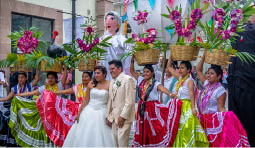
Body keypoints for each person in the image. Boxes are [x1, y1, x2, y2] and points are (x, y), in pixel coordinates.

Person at [196, 56, 250, 146]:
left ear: (219, 76)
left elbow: (221, 107)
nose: (208, 75)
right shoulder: (206, 85)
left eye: (212, 74)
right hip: (202, 119)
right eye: (208, 73)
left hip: (213, 121)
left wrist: (227, 118)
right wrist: (204, 57)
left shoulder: (220, 90)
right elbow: (198, 71)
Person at [130, 56, 182, 147]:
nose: (145, 74)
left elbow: (163, 89)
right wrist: (132, 60)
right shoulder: (141, 80)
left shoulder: (155, 83)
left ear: (152, 73)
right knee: (142, 128)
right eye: (144, 72)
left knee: (152, 129)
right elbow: (132, 71)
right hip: (142, 108)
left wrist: (170, 94)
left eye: (147, 72)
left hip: (151, 110)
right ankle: (143, 145)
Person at [8, 69, 67, 147]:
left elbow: (65, 76)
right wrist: (20, 95)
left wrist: (65, 66)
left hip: (56, 114)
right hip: (45, 114)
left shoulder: (59, 86)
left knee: (55, 132)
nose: (50, 79)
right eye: (49, 78)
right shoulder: (44, 87)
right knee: (44, 131)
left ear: (56, 79)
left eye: (52, 78)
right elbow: (32, 93)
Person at [36, 71, 92, 146]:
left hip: (89, 111)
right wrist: (51, 93)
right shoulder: (77, 87)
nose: (84, 78)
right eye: (83, 77)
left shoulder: (93, 87)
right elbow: (64, 91)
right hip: (77, 112)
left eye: (86, 77)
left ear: (90, 78)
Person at [63, 66, 115, 147]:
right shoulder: (91, 84)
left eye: (98, 73)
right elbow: (86, 100)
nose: (96, 75)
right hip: (89, 111)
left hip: (102, 112)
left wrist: (110, 114)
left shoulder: (110, 84)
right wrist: (79, 113)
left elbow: (111, 101)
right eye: (95, 73)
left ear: (104, 74)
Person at [167, 54, 209, 147]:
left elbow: (191, 94)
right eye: (179, 68)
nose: (180, 70)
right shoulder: (180, 78)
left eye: (182, 68)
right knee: (178, 129)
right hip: (178, 106)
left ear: (188, 70)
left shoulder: (189, 80)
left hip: (187, 106)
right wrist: (171, 54)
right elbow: (169, 67)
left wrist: (193, 108)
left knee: (186, 128)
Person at [0, 70, 39, 146]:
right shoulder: (14, 88)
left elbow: (37, 79)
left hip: (28, 111)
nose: (20, 79)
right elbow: (7, 98)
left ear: (26, 78)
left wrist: (37, 67)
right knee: (6, 118)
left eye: (22, 77)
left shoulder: (30, 86)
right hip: (18, 111)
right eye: (19, 77)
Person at [105, 60, 135, 147]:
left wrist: (122, 116)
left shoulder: (128, 79)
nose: (110, 71)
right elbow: (110, 100)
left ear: (120, 68)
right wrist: (108, 116)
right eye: (109, 69)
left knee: (122, 144)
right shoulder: (112, 81)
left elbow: (130, 101)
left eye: (113, 68)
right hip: (114, 118)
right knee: (115, 144)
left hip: (124, 118)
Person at [100, 11, 131, 80]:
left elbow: (129, 53)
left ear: (118, 23)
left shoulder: (122, 40)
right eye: (106, 19)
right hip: (104, 73)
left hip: (118, 73)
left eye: (112, 19)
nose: (108, 22)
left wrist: (127, 70)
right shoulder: (101, 40)